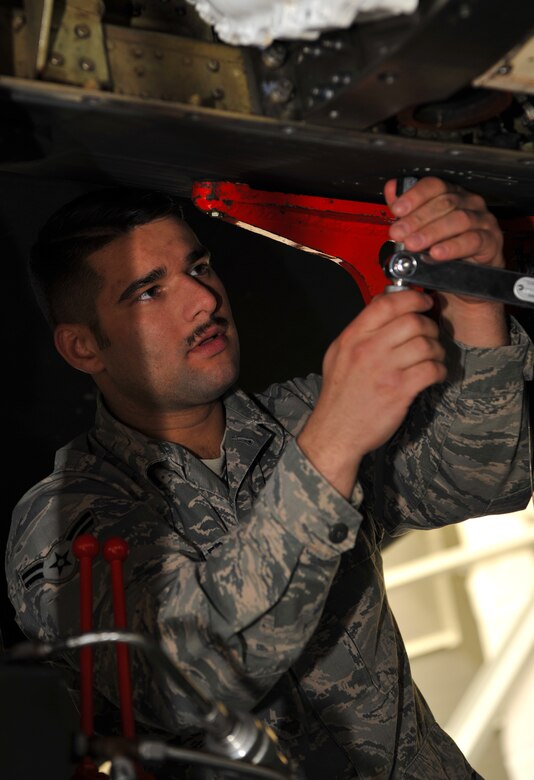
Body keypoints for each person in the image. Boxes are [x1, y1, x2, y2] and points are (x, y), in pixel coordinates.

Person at [5, 177, 533, 779]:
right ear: (82, 348)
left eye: (198, 267)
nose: (203, 299)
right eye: (149, 291)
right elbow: (185, 681)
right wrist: (334, 440)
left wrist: (473, 300)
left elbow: (476, 479)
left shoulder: (298, 416)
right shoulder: (66, 517)